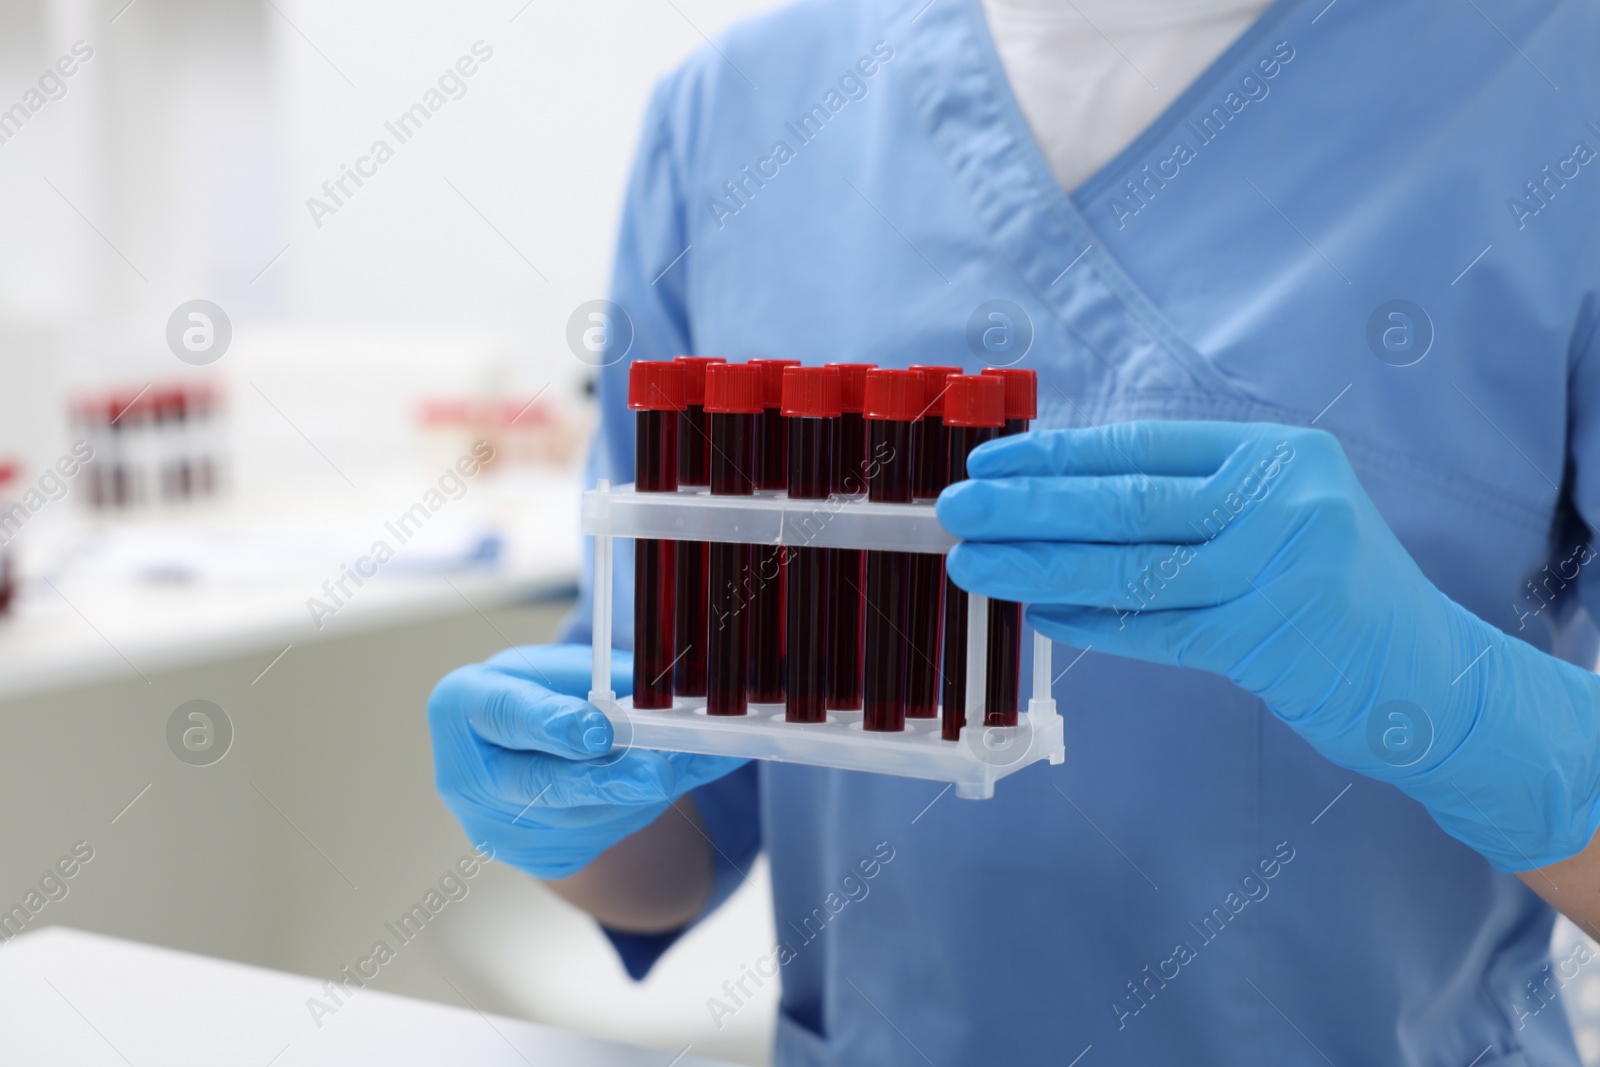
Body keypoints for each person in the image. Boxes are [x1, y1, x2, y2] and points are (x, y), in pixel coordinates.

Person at [427, 0, 1600, 1061]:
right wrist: (559, 806)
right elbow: (676, 850)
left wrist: (1471, 719)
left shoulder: (1557, 80)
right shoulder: (737, 108)